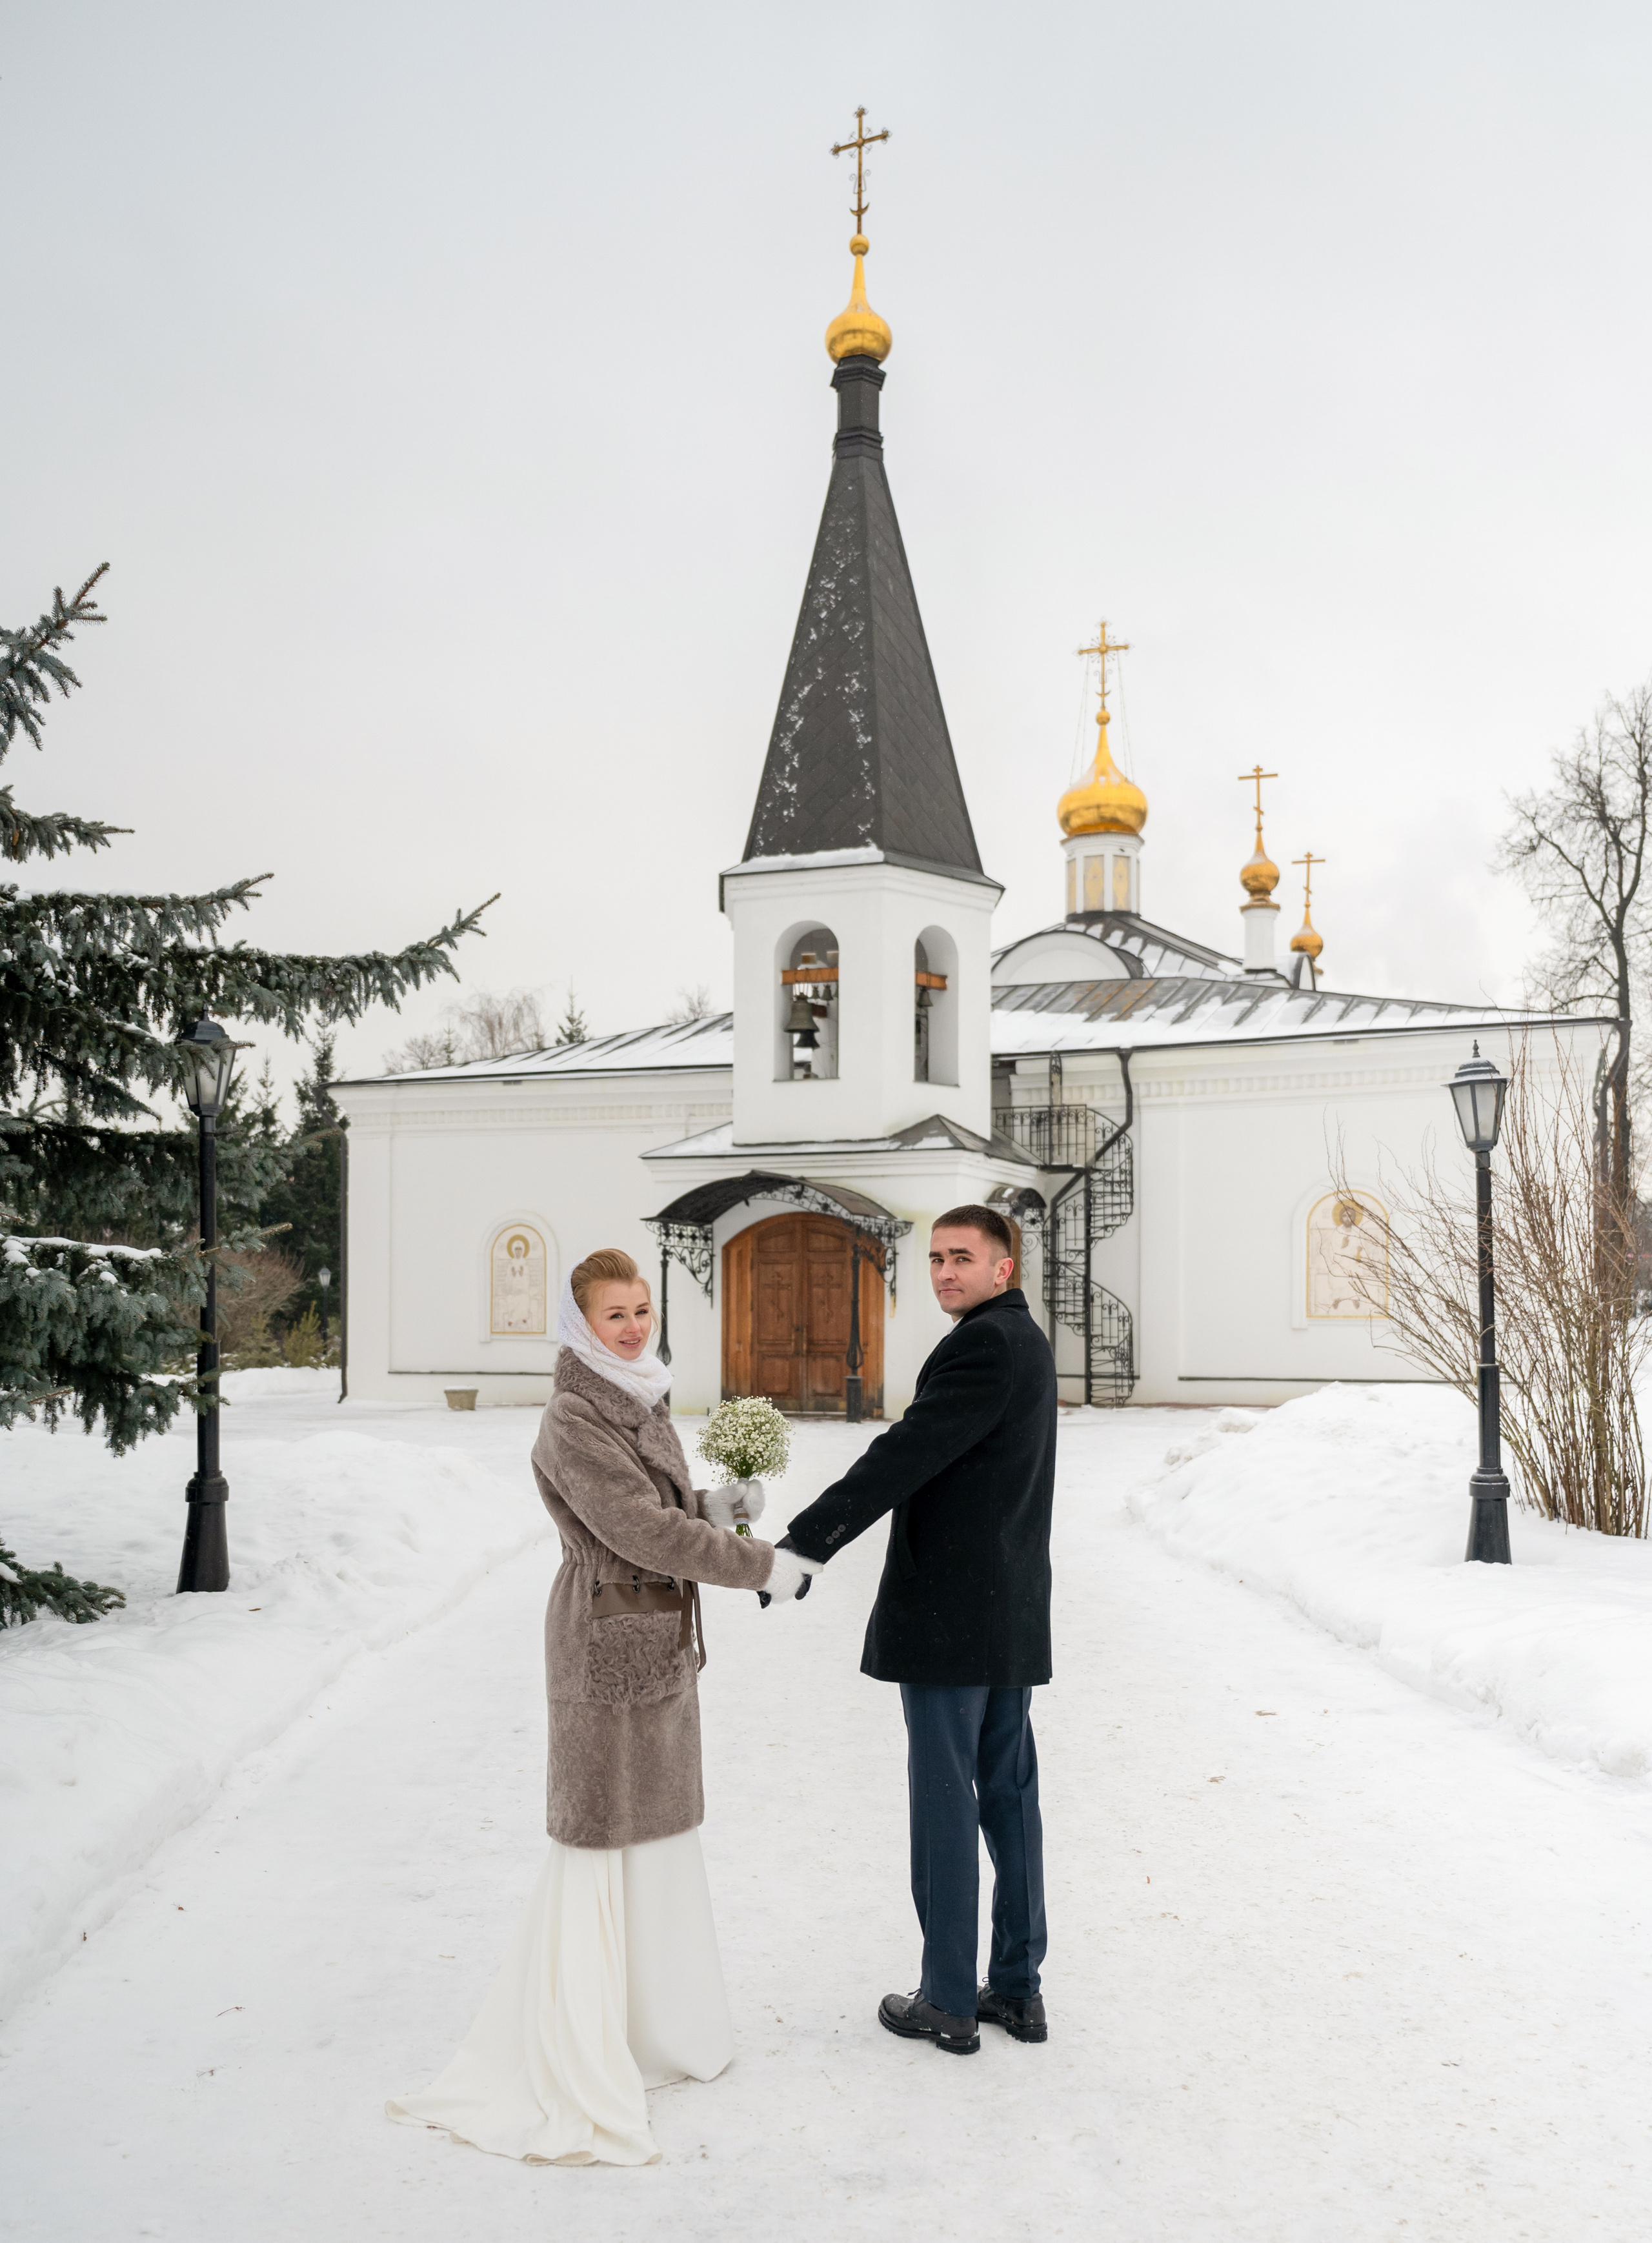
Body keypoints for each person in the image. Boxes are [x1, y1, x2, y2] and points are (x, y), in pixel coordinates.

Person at [387, 1247, 815, 2166]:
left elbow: (661, 1507)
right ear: (581, 1327)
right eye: (614, 1315)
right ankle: (586, 2036)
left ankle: (658, 2029)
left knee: (654, 1826)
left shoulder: (640, 1395)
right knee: (598, 1828)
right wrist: (761, 1565)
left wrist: (717, 1499)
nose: (634, 1326)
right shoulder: (575, 1417)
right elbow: (637, 1530)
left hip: (655, 1632)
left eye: (642, 1309)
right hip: (607, 1635)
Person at [780, 1203, 1057, 2057]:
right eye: (936, 1256)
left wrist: (808, 1539)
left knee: (946, 1802)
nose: (945, 1271)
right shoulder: (1027, 1342)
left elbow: (906, 1453)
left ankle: (947, 1999)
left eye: (963, 1257)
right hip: (1005, 1612)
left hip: (950, 1619)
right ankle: (1015, 1987)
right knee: (1008, 1801)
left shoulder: (982, 1344)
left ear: (1004, 1268)